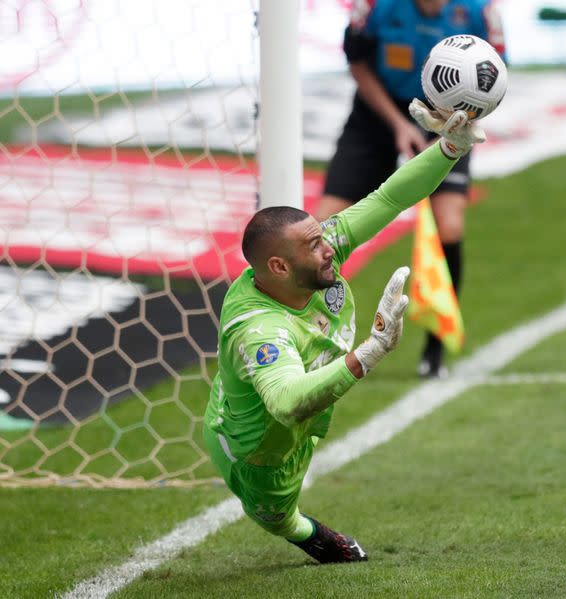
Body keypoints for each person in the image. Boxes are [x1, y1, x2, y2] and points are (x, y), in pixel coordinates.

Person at [203, 105, 485, 564]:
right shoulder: (260, 330)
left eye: (322, 238)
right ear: (279, 267)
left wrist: (450, 149)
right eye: (314, 247)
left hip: (272, 395)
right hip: (261, 449)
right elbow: (288, 402)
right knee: (277, 517)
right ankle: (303, 532)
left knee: (282, 407)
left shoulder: (309, 258)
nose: (329, 249)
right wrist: (370, 353)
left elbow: (389, 198)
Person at [317, 0, 506, 378]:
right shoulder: (374, 6)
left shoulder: (481, 10)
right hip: (376, 114)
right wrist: (397, 124)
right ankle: (315, 338)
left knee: (449, 227)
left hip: (452, 118)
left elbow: (494, 78)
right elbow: (357, 62)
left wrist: (454, 123)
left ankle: (434, 349)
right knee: (320, 229)